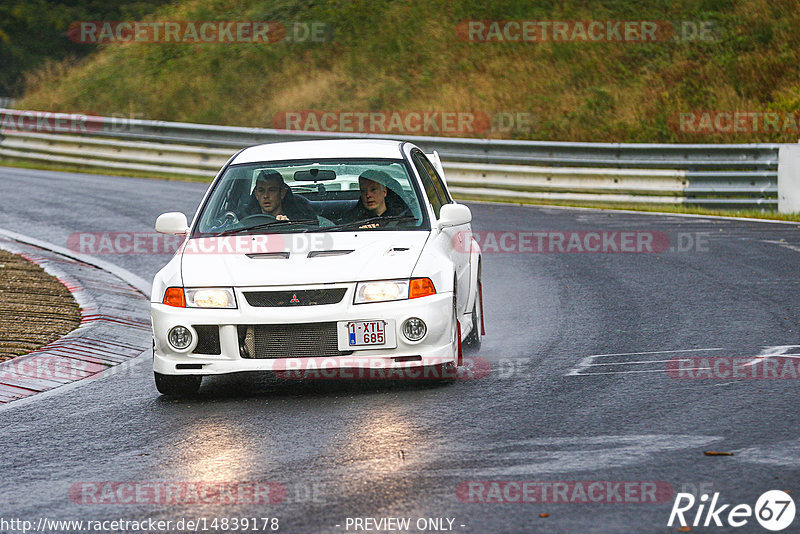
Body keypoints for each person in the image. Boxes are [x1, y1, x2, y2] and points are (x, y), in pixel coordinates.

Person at [339, 170, 410, 227]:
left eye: (373, 190)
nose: (368, 195)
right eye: (363, 191)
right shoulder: (352, 221)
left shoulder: (403, 217)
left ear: (384, 191)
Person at [245, 170, 316, 221]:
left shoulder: (300, 220)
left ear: (282, 193)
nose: (266, 195)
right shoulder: (244, 223)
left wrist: (288, 226)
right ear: (256, 195)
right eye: (261, 191)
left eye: (272, 190)